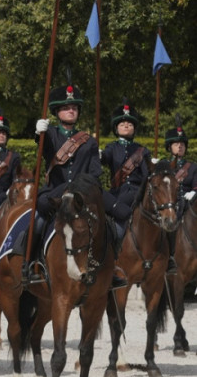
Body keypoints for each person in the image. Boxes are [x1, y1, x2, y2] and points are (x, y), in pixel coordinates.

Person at [32, 81, 126, 289]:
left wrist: (85, 190)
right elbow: (43, 148)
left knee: (119, 215)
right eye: (66, 108)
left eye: (74, 107)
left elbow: (95, 172)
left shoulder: (89, 141)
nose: (71, 111)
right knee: (37, 219)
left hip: (83, 194)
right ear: (57, 112)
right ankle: (30, 263)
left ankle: (111, 266)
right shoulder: (50, 134)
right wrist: (39, 133)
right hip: (56, 193)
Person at [101, 101, 155, 267]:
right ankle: (112, 257)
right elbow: (103, 160)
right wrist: (98, 155)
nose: (126, 126)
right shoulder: (111, 148)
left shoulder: (142, 150)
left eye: (130, 124)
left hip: (139, 194)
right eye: (122, 124)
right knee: (112, 227)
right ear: (116, 128)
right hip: (119, 195)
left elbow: (147, 176)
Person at [165, 121, 194, 274]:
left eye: (182, 144)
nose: (180, 146)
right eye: (176, 144)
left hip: (189, 205)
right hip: (169, 204)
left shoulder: (193, 167)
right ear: (169, 147)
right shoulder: (164, 165)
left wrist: (193, 193)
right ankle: (168, 256)